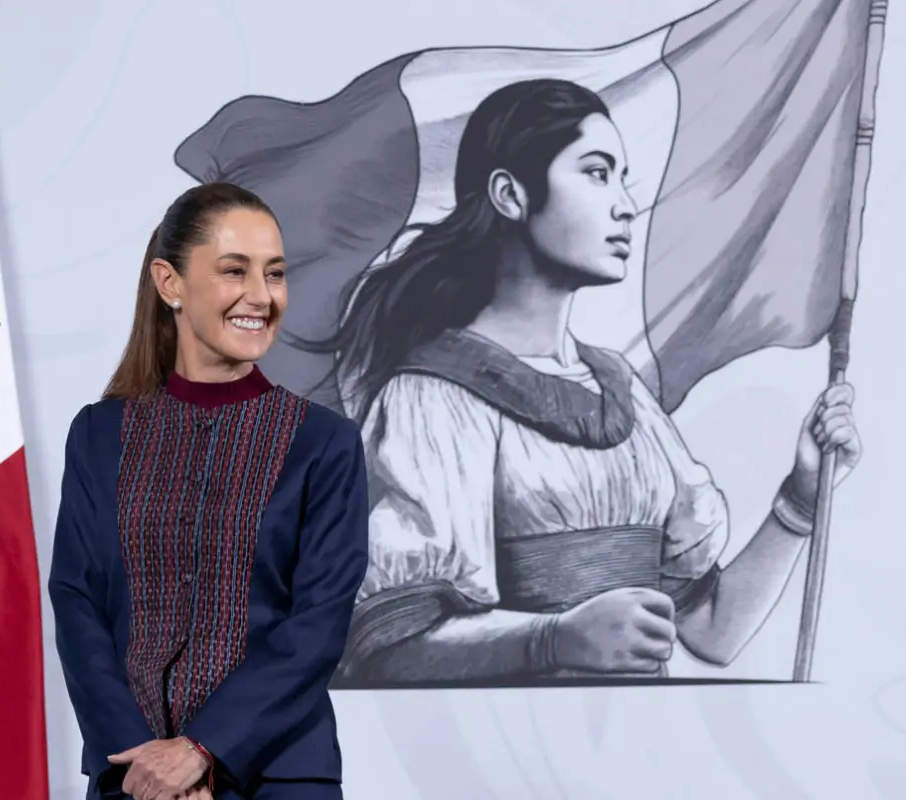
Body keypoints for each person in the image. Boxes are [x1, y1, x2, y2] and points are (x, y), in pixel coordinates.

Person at [314, 79, 862, 684]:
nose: (625, 205)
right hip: (508, 744)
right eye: (597, 174)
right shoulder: (434, 396)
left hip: (640, 741)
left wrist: (801, 498)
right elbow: (390, 647)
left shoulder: (622, 391)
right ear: (510, 195)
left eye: (622, 178)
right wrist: (554, 639)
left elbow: (712, 631)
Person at [49, 182, 369, 799]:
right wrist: (144, 762)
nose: (261, 295)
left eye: (275, 273)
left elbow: (317, 624)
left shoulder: (324, 443)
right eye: (234, 270)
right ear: (169, 283)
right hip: (133, 777)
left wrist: (202, 750)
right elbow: (77, 603)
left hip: (278, 777)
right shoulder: (98, 434)